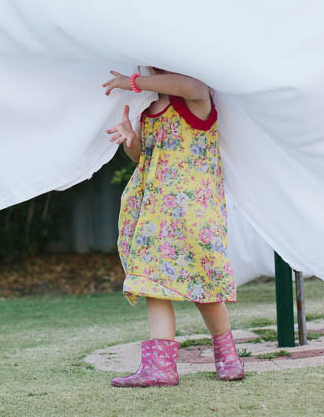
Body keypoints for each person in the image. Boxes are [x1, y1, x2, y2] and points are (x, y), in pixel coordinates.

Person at [102, 66, 244, 387]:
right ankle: (160, 367)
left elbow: (191, 86)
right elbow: (145, 158)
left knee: (204, 286)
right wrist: (131, 140)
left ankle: (227, 356)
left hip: (193, 212)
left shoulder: (195, 98)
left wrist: (133, 83)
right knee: (154, 284)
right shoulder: (150, 110)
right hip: (155, 212)